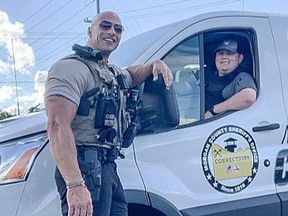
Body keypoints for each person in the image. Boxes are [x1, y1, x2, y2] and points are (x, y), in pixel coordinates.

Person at [44, 11, 173, 216]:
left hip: (108, 168)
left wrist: (153, 65)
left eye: (118, 29)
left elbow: (131, 75)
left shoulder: (111, 72)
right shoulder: (70, 68)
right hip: (85, 168)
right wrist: (75, 184)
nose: (112, 32)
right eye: (105, 26)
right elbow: (57, 125)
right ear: (90, 30)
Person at [204, 39, 257, 119]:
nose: (224, 57)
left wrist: (213, 111)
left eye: (229, 54)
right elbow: (187, 86)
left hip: (219, 124)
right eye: (220, 53)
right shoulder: (207, 73)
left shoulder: (241, 77)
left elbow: (249, 97)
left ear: (240, 58)